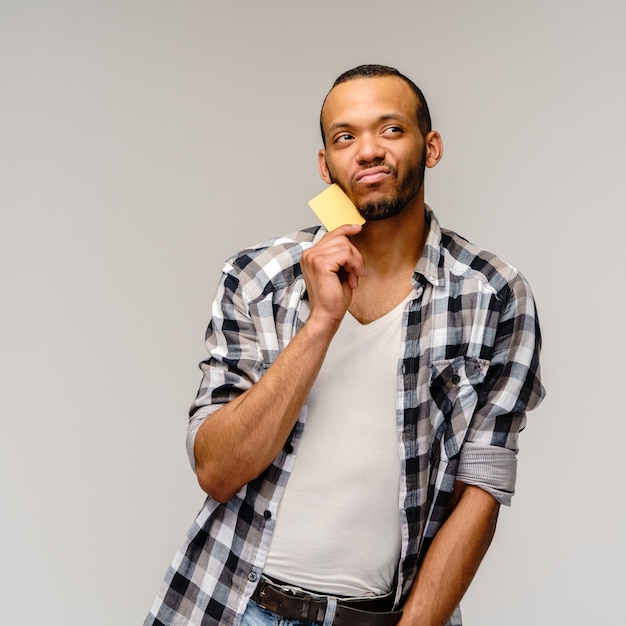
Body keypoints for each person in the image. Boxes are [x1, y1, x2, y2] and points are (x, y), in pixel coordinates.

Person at [145, 64, 545, 626]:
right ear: (325, 163)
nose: (367, 151)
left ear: (430, 147)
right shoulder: (259, 277)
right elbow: (217, 469)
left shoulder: (494, 293)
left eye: (390, 129)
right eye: (345, 137)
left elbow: (482, 487)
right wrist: (320, 324)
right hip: (236, 604)